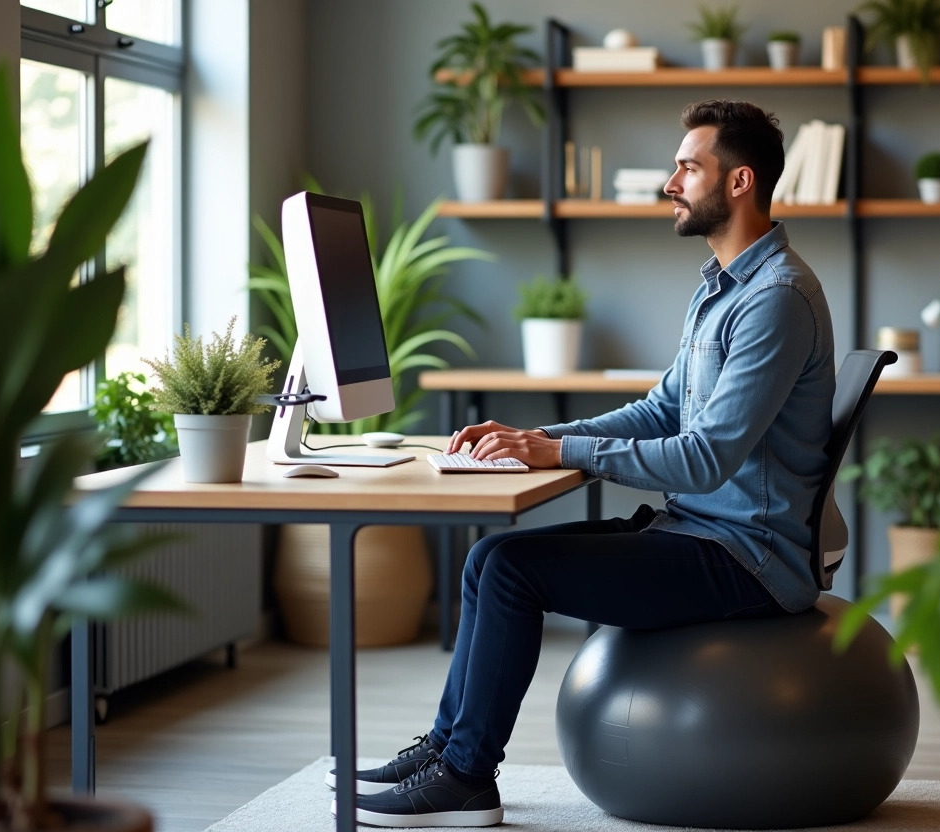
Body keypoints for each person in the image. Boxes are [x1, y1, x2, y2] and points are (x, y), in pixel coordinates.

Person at [346, 99, 836, 828]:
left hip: (745, 558)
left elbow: (704, 459)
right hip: (698, 533)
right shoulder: (720, 289)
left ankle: (467, 778)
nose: (671, 182)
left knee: (514, 571)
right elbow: (661, 413)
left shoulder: (775, 300)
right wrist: (536, 435)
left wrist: (562, 452)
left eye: (687, 167)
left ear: (738, 182)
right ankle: (448, 750)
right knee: (491, 561)